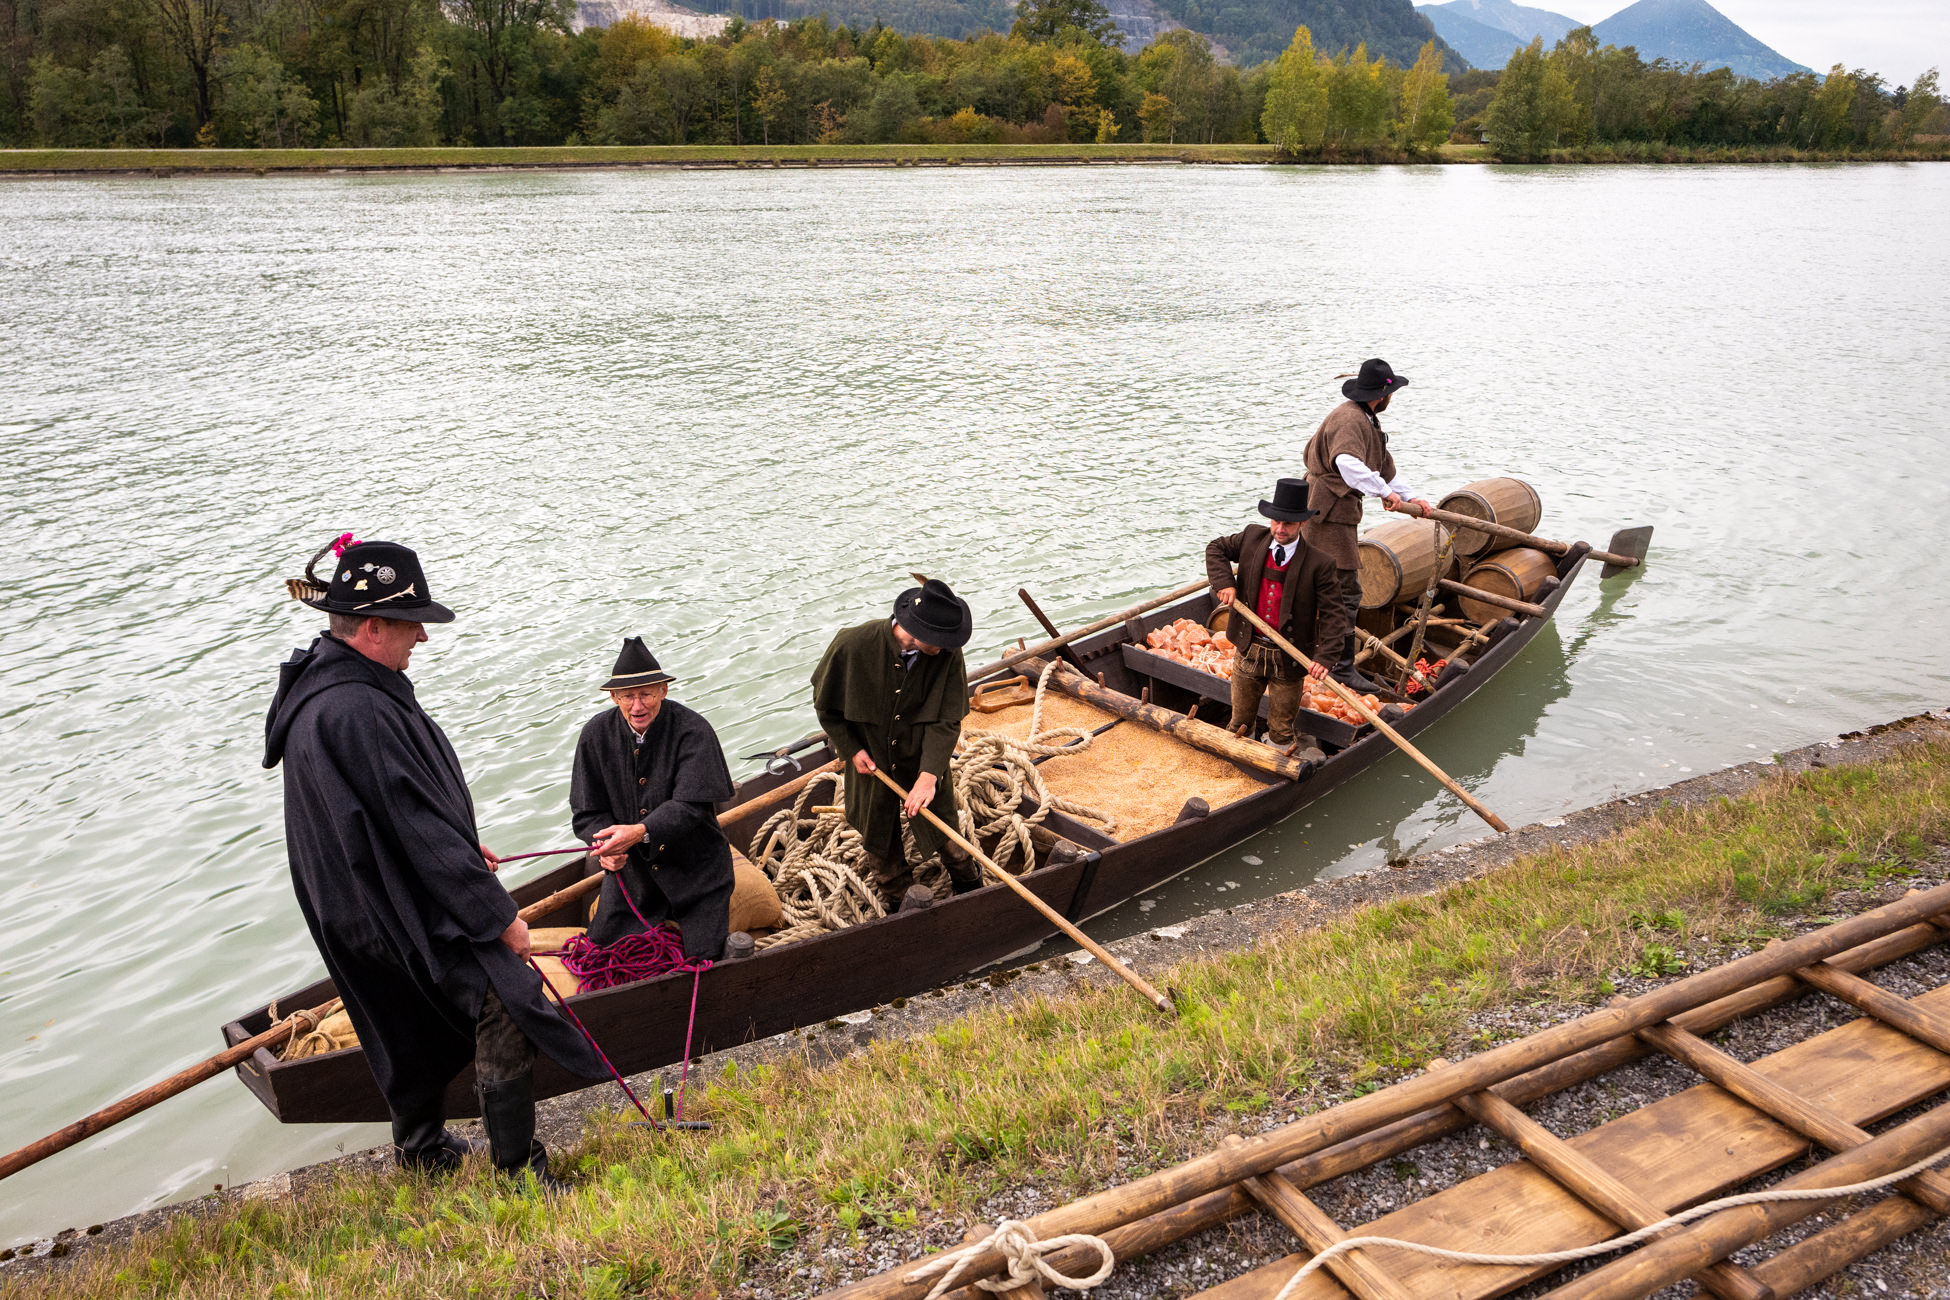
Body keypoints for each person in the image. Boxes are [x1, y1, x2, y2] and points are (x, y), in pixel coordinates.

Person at [264, 538, 603, 1189]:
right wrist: (496, 916)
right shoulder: (357, 708)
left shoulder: (327, 688)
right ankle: (520, 1177)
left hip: (353, 900)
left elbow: (384, 809)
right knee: (504, 998)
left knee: (401, 1018)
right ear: (372, 627)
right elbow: (415, 827)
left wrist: (460, 842)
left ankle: (421, 1150)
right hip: (396, 902)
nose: (421, 634)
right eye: (411, 622)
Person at [810, 578, 983, 907]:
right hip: (870, 767)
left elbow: (946, 720)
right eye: (941, 641)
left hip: (923, 760)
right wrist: (852, 751)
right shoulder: (851, 645)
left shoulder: (946, 651)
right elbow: (826, 708)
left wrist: (929, 776)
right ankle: (903, 911)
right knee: (882, 851)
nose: (947, 647)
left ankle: (973, 893)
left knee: (951, 842)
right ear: (917, 630)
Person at [571, 637, 736, 960]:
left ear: (664, 690)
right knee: (602, 960)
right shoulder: (595, 734)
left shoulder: (694, 730)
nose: (638, 706)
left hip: (698, 874)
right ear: (614, 696)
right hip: (631, 878)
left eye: (646, 694)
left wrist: (639, 832)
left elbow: (691, 806)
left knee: (702, 961)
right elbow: (587, 811)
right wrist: (605, 848)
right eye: (628, 696)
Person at [1302, 358, 1434, 691]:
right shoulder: (1349, 419)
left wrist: (1411, 497)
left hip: (1335, 510)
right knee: (1346, 590)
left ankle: (1328, 658)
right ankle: (1340, 667)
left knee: (1334, 587)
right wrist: (1384, 492)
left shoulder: (1367, 420)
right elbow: (1347, 463)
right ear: (1382, 394)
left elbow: (1383, 469)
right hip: (1327, 512)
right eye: (1392, 393)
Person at [1204, 478, 1348, 753]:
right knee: (1239, 722)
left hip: (1289, 658)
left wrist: (1325, 657)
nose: (1280, 529)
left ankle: (1274, 762)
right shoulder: (1251, 538)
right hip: (1249, 648)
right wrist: (1224, 583)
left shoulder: (1320, 564)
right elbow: (1216, 548)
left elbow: (1334, 615)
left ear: (1302, 523)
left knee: (1281, 731)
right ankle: (1238, 761)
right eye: (1276, 522)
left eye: (1288, 524)